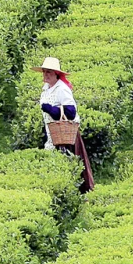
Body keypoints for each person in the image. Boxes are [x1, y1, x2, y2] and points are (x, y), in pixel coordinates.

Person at [36, 56, 92, 191]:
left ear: (56, 73)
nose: (46, 75)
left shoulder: (61, 88)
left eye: (49, 72)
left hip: (65, 136)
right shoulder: (46, 88)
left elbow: (71, 112)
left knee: (69, 164)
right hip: (53, 134)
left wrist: (51, 109)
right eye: (44, 72)